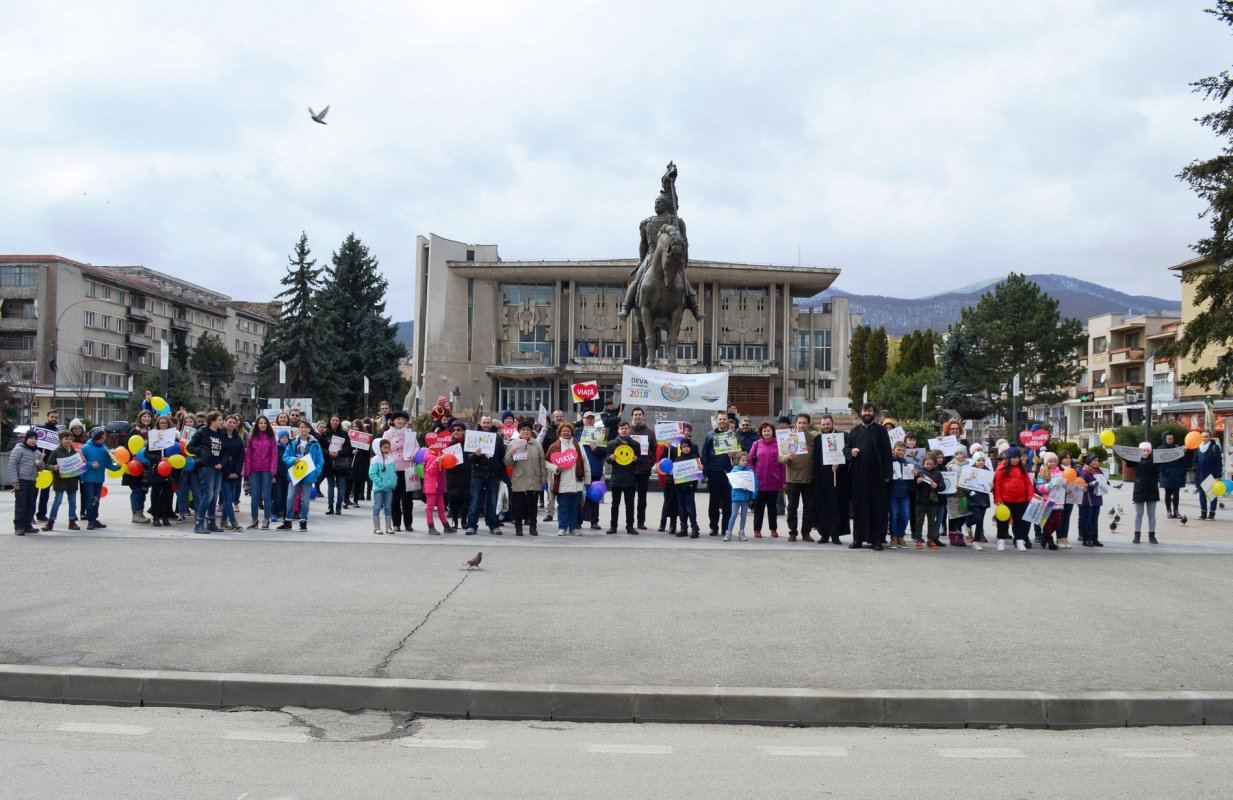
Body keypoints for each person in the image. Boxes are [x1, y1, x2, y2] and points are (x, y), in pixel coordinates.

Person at [617, 165, 705, 322]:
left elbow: (684, 242)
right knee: (638, 280)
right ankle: (626, 306)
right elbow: (643, 244)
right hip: (651, 256)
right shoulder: (647, 223)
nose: (656, 204)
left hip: (671, 256)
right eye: (655, 202)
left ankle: (695, 309)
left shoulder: (675, 221)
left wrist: (683, 259)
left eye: (659, 202)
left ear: (666, 204)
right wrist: (641, 260)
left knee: (684, 283)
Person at [847, 403, 892, 551]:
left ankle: (877, 540)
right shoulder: (854, 431)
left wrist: (887, 474)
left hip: (877, 477)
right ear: (861, 412)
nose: (867, 413)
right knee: (859, 509)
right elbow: (846, 449)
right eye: (865, 410)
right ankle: (858, 539)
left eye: (870, 411)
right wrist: (851, 451)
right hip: (858, 477)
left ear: (874, 413)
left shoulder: (881, 431)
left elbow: (887, 453)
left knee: (877, 509)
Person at [811, 414, 850, 545]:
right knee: (823, 508)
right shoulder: (818, 439)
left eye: (827, 424)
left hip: (837, 479)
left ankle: (835, 535)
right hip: (822, 479)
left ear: (832, 424)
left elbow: (848, 455)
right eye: (823, 425)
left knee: (836, 508)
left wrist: (840, 464)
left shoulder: (842, 437)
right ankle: (824, 534)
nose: (825, 427)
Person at [546, 421, 589, 536]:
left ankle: (573, 527)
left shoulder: (578, 445)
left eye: (568, 431)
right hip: (561, 482)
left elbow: (585, 463)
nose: (566, 433)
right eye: (564, 431)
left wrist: (588, 481)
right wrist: (556, 468)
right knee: (563, 506)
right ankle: (562, 527)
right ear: (560, 432)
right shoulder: (554, 446)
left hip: (577, 482)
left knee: (575, 507)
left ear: (572, 432)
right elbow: (546, 462)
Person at [465, 415, 506, 536]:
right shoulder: (473, 437)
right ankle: (472, 526)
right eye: (484, 423)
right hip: (477, 474)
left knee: (492, 502)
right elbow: (469, 458)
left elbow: (501, 457)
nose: (486, 425)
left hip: (493, 475)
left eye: (488, 423)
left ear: (491, 424)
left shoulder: (498, 438)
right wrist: (476, 455)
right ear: (480, 423)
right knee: (475, 502)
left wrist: (501, 476)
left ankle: (494, 525)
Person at [504, 420, 546, 536]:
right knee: (518, 506)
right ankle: (518, 527)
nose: (526, 432)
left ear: (531, 431)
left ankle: (533, 527)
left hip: (534, 478)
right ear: (519, 432)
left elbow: (542, 461)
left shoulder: (536, 444)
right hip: (519, 479)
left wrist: (543, 476)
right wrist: (511, 454)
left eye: (528, 430)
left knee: (533, 506)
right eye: (523, 430)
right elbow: (508, 463)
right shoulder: (513, 444)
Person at [283, 419, 323, 532]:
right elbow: (285, 457)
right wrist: (293, 460)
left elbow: (320, 460)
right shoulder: (292, 443)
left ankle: (303, 521)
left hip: (308, 475)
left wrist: (316, 472)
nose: (303, 429)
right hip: (294, 474)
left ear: (309, 429)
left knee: (305, 499)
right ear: (298, 429)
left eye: (306, 427)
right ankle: (288, 520)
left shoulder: (315, 444)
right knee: (290, 497)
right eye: (301, 427)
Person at [189, 412, 225, 534]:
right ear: (212, 421)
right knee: (208, 495)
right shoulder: (202, 432)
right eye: (220, 420)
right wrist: (202, 451)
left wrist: (222, 463)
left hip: (218, 467)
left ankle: (211, 522)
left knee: (215, 495)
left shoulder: (221, 433)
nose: (221, 422)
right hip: (206, 466)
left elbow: (225, 450)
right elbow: (190, 447)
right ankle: (199, 523)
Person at [992, 446, 1034, 551]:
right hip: (1006, 500)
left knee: (1019, 522)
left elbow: (1028, 484)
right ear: (1009, 458)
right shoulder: (1001, 469)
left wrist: (1030, 497)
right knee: (1003, 522)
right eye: (1013, 457)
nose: (1016, 460)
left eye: (1017, 457)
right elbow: (997, 485)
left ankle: (1020, 540)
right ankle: (1001, 540)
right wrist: (998, 499)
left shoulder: (1023, 469)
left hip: (1021, 500)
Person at [747, 421, 784, 538]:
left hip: (774, 481)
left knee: (773, 507)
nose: (767, 433)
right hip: (759, 482)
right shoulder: (756, 444)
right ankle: (757, 530)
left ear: (773, 432)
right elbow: (749, 461)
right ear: (761, 432)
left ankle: (773, 529)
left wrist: (784, 481)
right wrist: (753, 474)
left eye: (769, 430)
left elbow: (783, 465)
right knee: (759, 508)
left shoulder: (779, 444)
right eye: (764, 431)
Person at [141, 415, 177, 528]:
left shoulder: (173, 437)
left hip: (169, 469)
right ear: (158, 424)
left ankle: (164, 516)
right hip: (156, 468)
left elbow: (177, 451)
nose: (163, 425)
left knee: (166, 494)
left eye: (165, 423)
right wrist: (158, 459)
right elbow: (147, 454)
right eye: (161, 423)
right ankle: (156, 516)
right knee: (156, 493)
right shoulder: (153, 437)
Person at [382, 410, 416, 532]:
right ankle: (396, 523)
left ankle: (408, 523)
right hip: (393, 468)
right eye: (398, 419)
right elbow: (383, 448)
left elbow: (416, 446)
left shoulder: (409, 433)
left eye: (402, 419)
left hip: (407, 467)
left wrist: (413, 454)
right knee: (394, 498)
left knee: (408, 498)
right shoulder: (387, 433)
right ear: (393, 421)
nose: (400, 421)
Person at [701, 412, 734, 536]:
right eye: (720, 419)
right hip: (714, 473)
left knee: (727, 503)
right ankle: (713, 526)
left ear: (727, 421)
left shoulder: (733, 435)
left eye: (724, 419)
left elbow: (740, 454)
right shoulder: (710, 436)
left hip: (728, 473)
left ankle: (725, 528)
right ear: (717, 421)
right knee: (713, 502)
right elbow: (705, 454)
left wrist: (734, 455)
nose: (722, 421)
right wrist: (705, 472)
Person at [784, 413, 815, 542]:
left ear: (808, 424)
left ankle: (806, 533)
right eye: (799, 422)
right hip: (793, 478)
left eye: (804, 423)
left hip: (809, 478)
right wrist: (787, 458)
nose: (802, 425)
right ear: (796, 423)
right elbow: (780, 457)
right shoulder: (788, 437)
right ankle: (792, 532)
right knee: (792, 507)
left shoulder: (813, 439)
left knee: (809, 507)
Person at [244, 415, 278, 530]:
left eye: (264, 423)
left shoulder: (271, 437)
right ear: (257, 425)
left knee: (267, 496)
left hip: (267, 470)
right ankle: (254, 520)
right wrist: (247, 469)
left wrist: (273, 470)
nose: (262, 425)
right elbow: (248, 454)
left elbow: (274, 455)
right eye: (260, 423)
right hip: (254, 470)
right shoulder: (252, 437)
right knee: (254, 496)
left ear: (267, 424)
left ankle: (266, 520)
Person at [606, 420, 640, 534]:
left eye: (626, 428)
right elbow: (607, 459)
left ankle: (630, 526)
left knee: (630, 504)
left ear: (629, 430)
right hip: (616, 478)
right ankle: (613, 526)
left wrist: (636, 459)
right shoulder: (611, 444)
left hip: (630, 478)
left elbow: (640, 460)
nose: (624, 430)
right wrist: (611, 458)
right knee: (615, 504)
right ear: (618, 430)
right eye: (622, 428)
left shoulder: (635, 444)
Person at [628, 407, 657, 530]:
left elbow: (654, 449)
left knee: (642, 498)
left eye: (640, 414)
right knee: (629, 498)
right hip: (629, 470)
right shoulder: (627, 431)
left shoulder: (650, 432)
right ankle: (629, 522)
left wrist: (650, 463)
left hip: (644, 470)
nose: (638, 416)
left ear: (643, 416)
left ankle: (641, 521)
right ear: (632, 416)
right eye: (635, 414)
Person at [124, 409, 154, 524]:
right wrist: (134, 458)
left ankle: (140, 513)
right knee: (137, 490)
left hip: (147, 467)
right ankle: (136, 514)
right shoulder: (133, 431)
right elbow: (128, 446)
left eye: (149, 417)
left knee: (143, 490)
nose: (147, 418)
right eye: (144, 416)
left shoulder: (153, 432)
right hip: (135, 466)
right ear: (140, 418)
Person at [579, 411, 607, 530]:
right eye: (587, 418)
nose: (589, 420)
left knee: (594, 497)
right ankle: (578, 520)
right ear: (583, 419)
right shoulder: (576, 432)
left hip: (595, 470)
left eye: (591, 418)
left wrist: (595, 449)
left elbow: (604, 453)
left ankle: (594, 521)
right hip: (580, 470)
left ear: (594, 420)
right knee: (579, 497)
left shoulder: (601, 433)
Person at [217, 415, 245, 532]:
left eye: (234, 422)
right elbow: (219, 456)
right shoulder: (219, 435)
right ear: (225, 422)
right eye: (229, 422)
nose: (231, 424)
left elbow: (240, 456)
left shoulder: (237, 438)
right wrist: (227, 472)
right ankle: (233, 522)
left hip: (235, 473)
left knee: (230, 497)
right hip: (223, 472)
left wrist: (236, 472)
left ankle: (223, 522)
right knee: (228, 497)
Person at [322, 415, 353, 515]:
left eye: (337, 420)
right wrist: (328, 453)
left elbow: (349, 449)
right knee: (330, 486)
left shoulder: (343, 434)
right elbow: (320, 448)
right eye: (333, 420)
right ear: (329, 421)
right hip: (328, 463)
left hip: (340, 463)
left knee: (341, 486)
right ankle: (330, 506)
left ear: (339, 422)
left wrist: (338, 453)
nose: (334, 422)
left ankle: (339, 506)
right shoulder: (325, 433)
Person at [34, 407, 60, 523]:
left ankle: (41, 513)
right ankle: (30, 515)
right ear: (47, 417)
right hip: (37, 463)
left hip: (50, 465)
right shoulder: (40, 430)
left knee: (45, 491)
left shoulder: (57, 433)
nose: (54, 419)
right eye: (52, 417)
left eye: (56, 417)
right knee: (34, 491)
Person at [914, 452, 946, 549]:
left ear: (935, 464)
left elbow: (943, 487)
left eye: (931, 464)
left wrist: (937, 486)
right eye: (927, 464)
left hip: (933, 501)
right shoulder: (919, 472)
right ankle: (918, 540)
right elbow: (912, 487)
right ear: (924, 463)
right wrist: (917, 482)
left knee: (931, 522)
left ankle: (930, 540)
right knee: (919, 521)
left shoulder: (938, 473)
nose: (929, 466)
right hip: (920, 501)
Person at [444, 420, 472, 530]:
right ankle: (454, 521)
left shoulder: (469, 444)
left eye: (458, 430)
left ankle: (464, 520)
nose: (456, 432)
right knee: (453, 499)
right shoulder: (448, 444)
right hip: (452, 474)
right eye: (454, 430)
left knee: (465, 499)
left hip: (466, 474)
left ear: (463, 431)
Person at [80, 427, 109, 530]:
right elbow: (80, 463)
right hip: (88, 479)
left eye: (103, 438)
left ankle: (94, 519)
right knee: (89, 500)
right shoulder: (86, 448)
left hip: (99, 479)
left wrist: (117, 466)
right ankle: (90, 520)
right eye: (100, 438)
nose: (103, 440)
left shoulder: (104, 449)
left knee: (96, 500)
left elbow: (108, 463)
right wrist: (90, 464)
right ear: (94, 437)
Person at [1132, 442, 1160, 544]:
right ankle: (1137, 535)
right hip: (1139, 489)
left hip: (1152, 489)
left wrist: (1183, 451)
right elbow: (1125, 456)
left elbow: (1168, 457)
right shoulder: (1135, 460)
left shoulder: (1156, 460)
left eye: (1148, 450)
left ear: (1151, 451)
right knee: (1138, 514)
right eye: (1143, 450)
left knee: (1151, 515)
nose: (1145, 452)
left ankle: (1152, 535)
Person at [887, 442, 913, 549]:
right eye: (898, 450)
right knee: (894, 516)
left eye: (903, 450)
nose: (901, 452)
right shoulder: (889, 463)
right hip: (892, 493)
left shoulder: (908, 464)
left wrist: (915, 473)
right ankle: (894, 537)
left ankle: (900, 536)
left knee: (906, 515)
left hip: (905, 494)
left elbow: (912, 480)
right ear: (893, 450)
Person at [673, 438, 701, 536]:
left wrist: (701, 468)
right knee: (681, 508)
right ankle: (683, 528)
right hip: (679, 487)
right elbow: (674, 473)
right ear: (681, 448)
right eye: (683, 447)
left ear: (690, 447)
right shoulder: (678, 459)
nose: (685, 448)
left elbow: (699, 470)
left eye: (687, 446)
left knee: (690, 508)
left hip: (690, 487)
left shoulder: (694, 458)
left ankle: (694, 528)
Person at [725, 452, 756, 541]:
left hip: (746, 497)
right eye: (743, 460)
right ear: (738, 461)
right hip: (737, 497)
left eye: (746, 460)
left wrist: (752, 496)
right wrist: (739, 484)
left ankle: (741, 532)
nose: (745, 462)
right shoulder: (735, 470)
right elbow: (731, 481)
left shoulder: (750, 471)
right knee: (734, 514)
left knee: (744, 515)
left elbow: (754, 483)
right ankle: (729, 532)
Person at [369, 439, 397, 534]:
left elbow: (393, 472)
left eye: (388, 447)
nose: (386, 449)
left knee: (388, 507)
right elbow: (372, 474)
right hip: (379, 488)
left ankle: (388, 527)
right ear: (379, 447)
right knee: (377, 506)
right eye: (384, 447)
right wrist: (380, 483)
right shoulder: (375, 459)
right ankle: (376, 527)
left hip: (389, 487)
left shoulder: (391, 459)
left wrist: (394, 481)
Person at [1194, 430, 1224, 520]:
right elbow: (1195, 461)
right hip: (1200, 475)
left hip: (1211, 474)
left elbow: (1219, 462)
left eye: (1206, 436)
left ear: (1210, 437)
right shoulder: (1198, 448)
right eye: (1203, 437)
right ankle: (1203, 513)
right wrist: (1196, 470)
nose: (1204, 438)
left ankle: (1212, 513)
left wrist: (1218, 475)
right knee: (1202, 495)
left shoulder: (1215, 447)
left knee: (1212, 495)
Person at [1156, 431, 1185, 519]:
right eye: (1168, 439)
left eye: (1172, 438)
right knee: (1168, 493)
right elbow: (1159, 462)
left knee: (1176, 493)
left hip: (1177, 474)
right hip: (1166, 475)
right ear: (1165, 439)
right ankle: (1168, 510)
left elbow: (1183, 461)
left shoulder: (1178, 448)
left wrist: (1181, 471)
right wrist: (1164, 471)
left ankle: (1176, 510)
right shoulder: (1161, 449)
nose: (1170, 440)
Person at [1078, 452, 1105, 547]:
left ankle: (1094, 538)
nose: (1097, 462)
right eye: (1094, 460)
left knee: (1094, 520)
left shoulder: (1098, 472)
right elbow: (1080, 486)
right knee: (1087, 520)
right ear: (1089, 462)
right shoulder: (1085, 472)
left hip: (1097, 498)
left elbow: (1102, 481)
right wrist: (1089, 485)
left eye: (1098, 460)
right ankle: (1086, 538)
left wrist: (1105, 483)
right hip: (1088, 499)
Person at [422, 447, 447, 535]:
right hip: (432, 486)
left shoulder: (440, 453)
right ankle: (431, 527)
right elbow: (429, 471)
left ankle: (446, 526)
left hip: (439, 485)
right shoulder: (429, 456)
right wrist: (436, 462)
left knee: (441, 507)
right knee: (430, 507)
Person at [348, 418, 372, 508]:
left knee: (358, 482)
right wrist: (352, 451)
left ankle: (356, 500)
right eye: (353, 426)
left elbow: (367, 450)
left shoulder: (365, 437)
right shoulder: (349, 435)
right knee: (349, 482)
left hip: (361, 462)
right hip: (351, 461)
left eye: (357, 427)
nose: (355, 428)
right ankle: (346, 499)